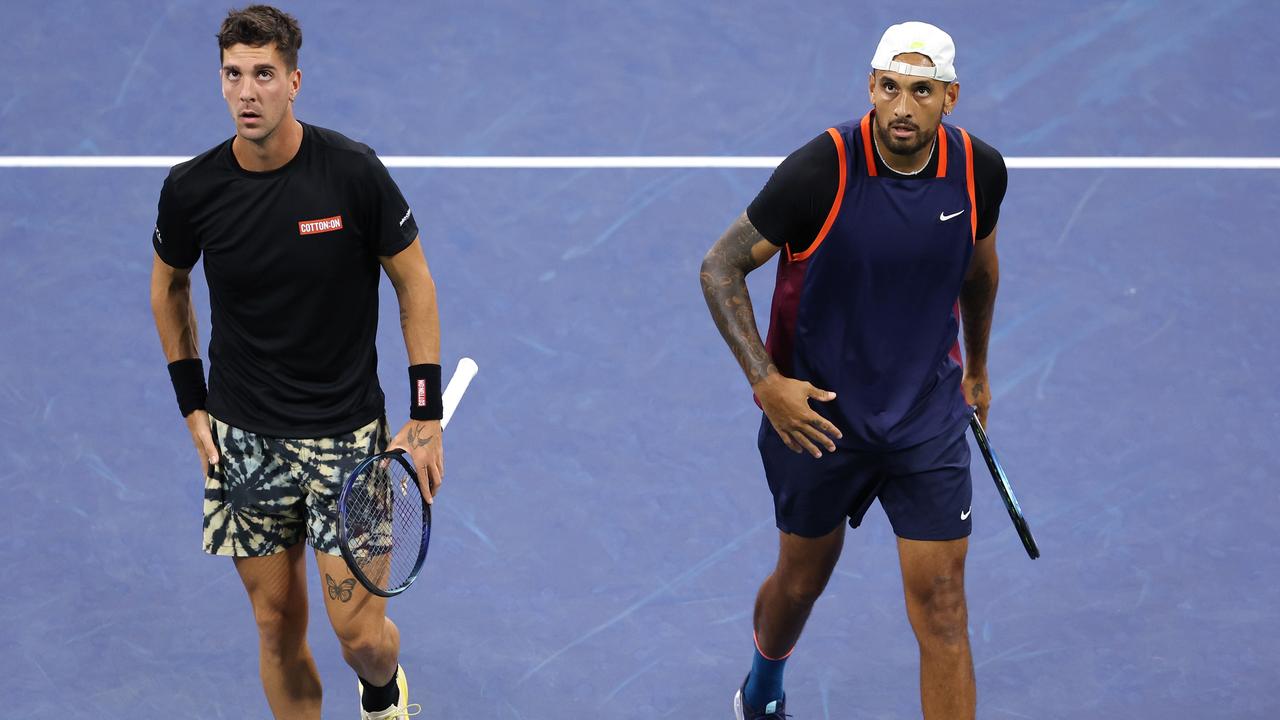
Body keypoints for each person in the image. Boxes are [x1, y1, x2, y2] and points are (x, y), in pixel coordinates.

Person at [699, 21, 1007, 720]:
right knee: (802, 581)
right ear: (871, 86)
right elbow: (719, 267)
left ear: (949, 98)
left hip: (925, 411)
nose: (902, 107)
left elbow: (980, 269)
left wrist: (978, 370)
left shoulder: (979, 170)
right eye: (890, 88)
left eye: (921, 91)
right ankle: (765, 684)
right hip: (817, 415)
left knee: (944, 607)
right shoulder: (821, 171)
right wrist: (766, 383)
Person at [149, 6, 442, 718]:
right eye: (233, 75)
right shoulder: (192, 190)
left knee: (359, 635)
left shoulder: (352, 174)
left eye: (263, 75)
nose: (247, 93)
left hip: (345, 438)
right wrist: (193, 402)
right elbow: (168, 284)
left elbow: (414, 283)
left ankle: (383, 691)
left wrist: (426, 415)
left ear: (294, 81)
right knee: (276, 626)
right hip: (244, 440)